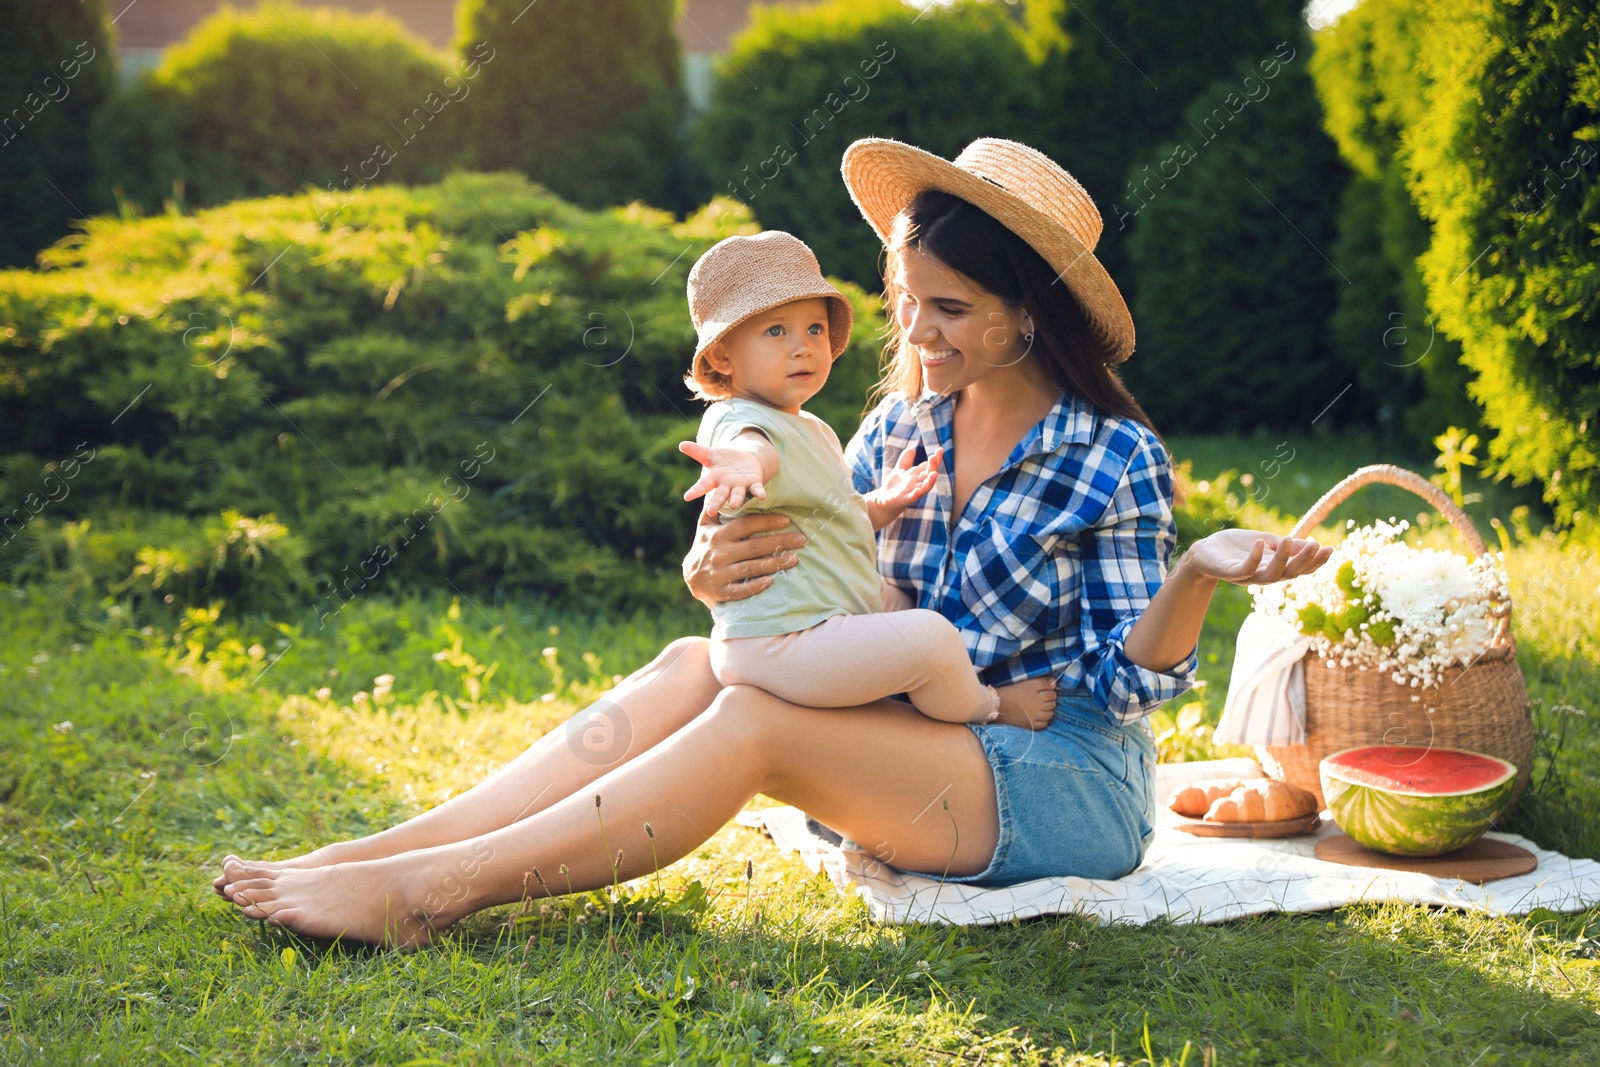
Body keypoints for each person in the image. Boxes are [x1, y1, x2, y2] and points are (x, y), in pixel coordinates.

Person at [215, 137, 1333, 947]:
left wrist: (1192, 575)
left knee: (747, 715)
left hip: (1057, 775)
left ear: (1026, 313)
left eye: (946, 308)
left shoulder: (1111, 454)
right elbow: (810, 577)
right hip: (906, 722)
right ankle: (374, 856)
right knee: (689, 662)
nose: (912, 331)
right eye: (904, 299)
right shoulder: (902, 419)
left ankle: (433, 892)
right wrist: (710, 569)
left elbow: (1129, 696)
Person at [676, 229, 1057, 729]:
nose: (803, 348)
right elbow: (754, 449)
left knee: (893, 598)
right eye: (776, 332)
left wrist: (879, 503)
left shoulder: (806, 426)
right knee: (931, 637)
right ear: (723, 357)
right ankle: (993, 707)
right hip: (784, 641)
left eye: (814, 329)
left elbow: (829, 516)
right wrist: (745, 466)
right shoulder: (743, 422)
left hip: (798, 630)